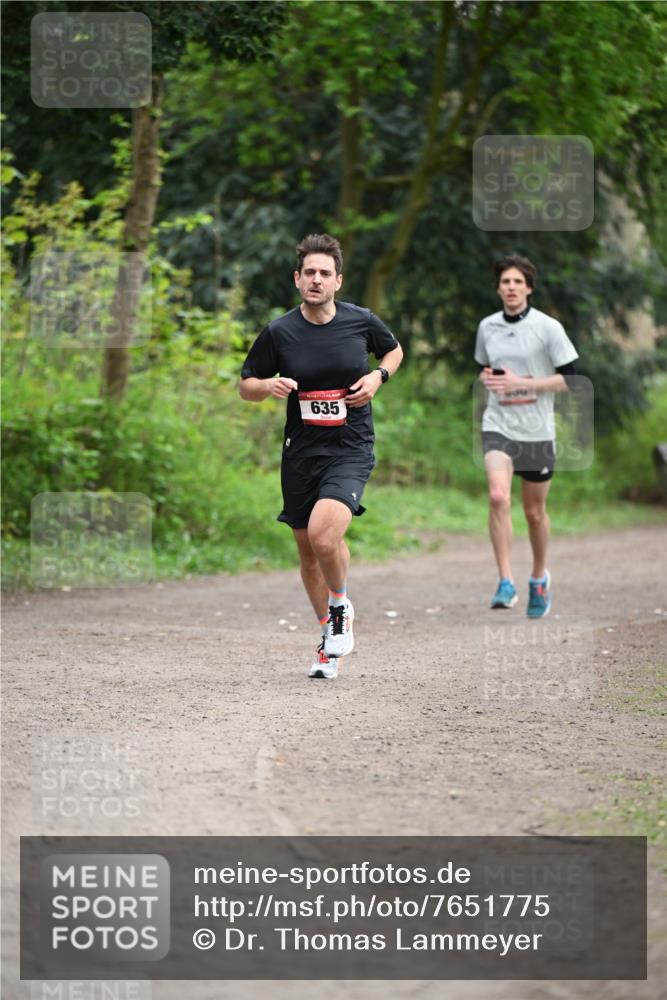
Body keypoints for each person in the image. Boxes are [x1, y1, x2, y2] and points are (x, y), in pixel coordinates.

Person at [239, 234, 403, 678]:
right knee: (307, 552)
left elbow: (394, 349)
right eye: (308, 272)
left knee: (324, 536)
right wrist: (266, 387)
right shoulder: (280, 332)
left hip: (350, 446)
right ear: (297, 279)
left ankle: (339, 606)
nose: (316, 279)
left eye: (324, 273)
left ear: (338, 281)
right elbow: (246, 383)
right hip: (301, 452)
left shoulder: (360, 321)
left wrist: (378, 377)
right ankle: (329, 642)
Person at [474, 254, 578, 617]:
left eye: (518, 282)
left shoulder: (548, 328)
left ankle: (538, 577)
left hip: (536, 430)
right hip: (498, 424)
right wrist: (489, 379)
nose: (511, 287)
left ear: (529, 288)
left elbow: (570, 379)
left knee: (534, 512)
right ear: (499, 288)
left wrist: (523, 383)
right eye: (506, 282)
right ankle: (506, 580)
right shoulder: (487, 327)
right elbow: (485, 369)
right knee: (498, 496)